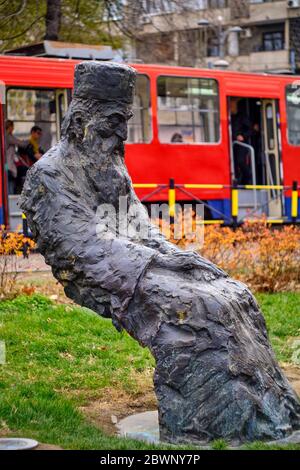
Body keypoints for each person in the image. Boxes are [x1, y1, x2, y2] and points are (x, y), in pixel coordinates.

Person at [16, 126, 44, 193]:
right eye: (38, 133)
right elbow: (32, 156)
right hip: (28, 169)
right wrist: (36, 155)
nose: (39, 135)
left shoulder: (36, 145)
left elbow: (42, 155)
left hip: (35, 169)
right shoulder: (27, 144)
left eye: (40, 134)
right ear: (32, 133)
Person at [230, 99, 252, 184]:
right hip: (231, 144)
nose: (231, 106)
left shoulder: (242, 117)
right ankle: (237, 182)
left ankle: (247, 178)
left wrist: (243, 136)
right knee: (233, 163)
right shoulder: (229, 117)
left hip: (241, 144)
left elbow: (251, 129)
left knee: (240, 161)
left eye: (233, 104)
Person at [5, 120, 28, 194]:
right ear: (10, 127)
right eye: (13, 126)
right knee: (9, 183)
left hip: (8, 164)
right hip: (7, 165)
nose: (13, 128)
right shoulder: (7, 136)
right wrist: (28, 142)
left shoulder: (7, 136)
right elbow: (20, 143)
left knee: (10, 181)